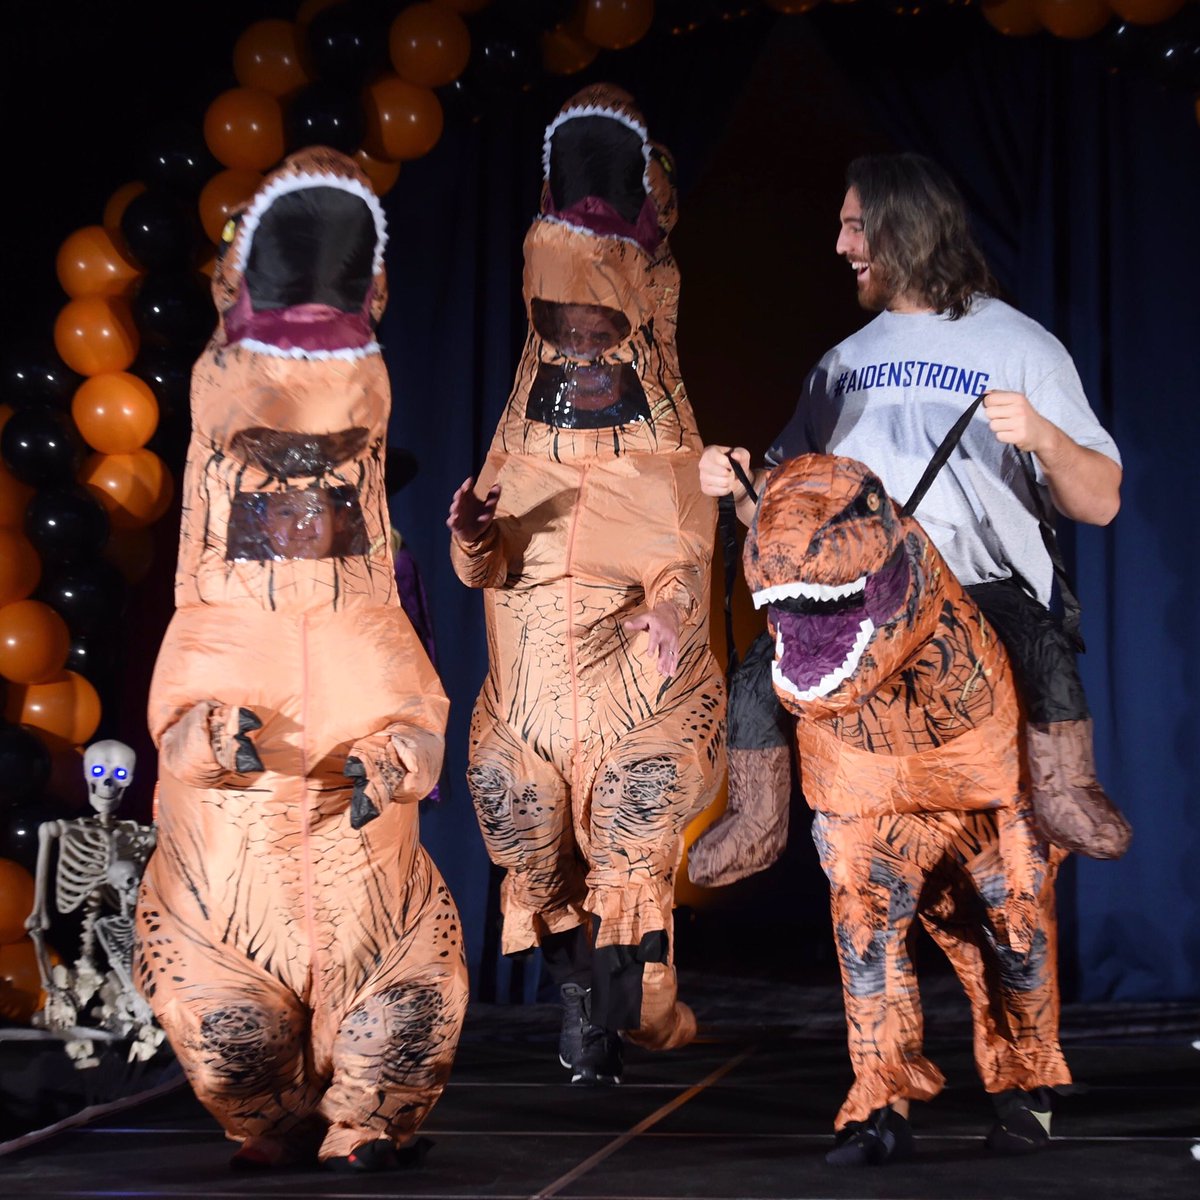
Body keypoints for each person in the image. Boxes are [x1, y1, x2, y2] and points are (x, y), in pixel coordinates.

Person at [698, 152, 1123, 1161]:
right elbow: (791, 501)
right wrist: (737, 482)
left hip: (979, 598)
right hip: (866, 615)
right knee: (771, 695)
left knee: (1012, 886)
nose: (841, 245)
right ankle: (876, 1086)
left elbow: (1101, 497)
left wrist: (1045, 441)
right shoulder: (838, 364)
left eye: (855, 225)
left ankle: (1068, 794)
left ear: (903, 227)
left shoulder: (1018, 344)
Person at [447, 84, 725, 1086]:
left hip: (630, 706)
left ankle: (641, 1014)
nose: (583, 340)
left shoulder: (662, 455)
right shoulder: (523, 438)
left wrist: (670, 612)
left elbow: (682, 557)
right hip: (525, 704)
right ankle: (582, 998)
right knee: (524, 840)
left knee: (632, 846)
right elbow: (487, 567)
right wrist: (474, 541)